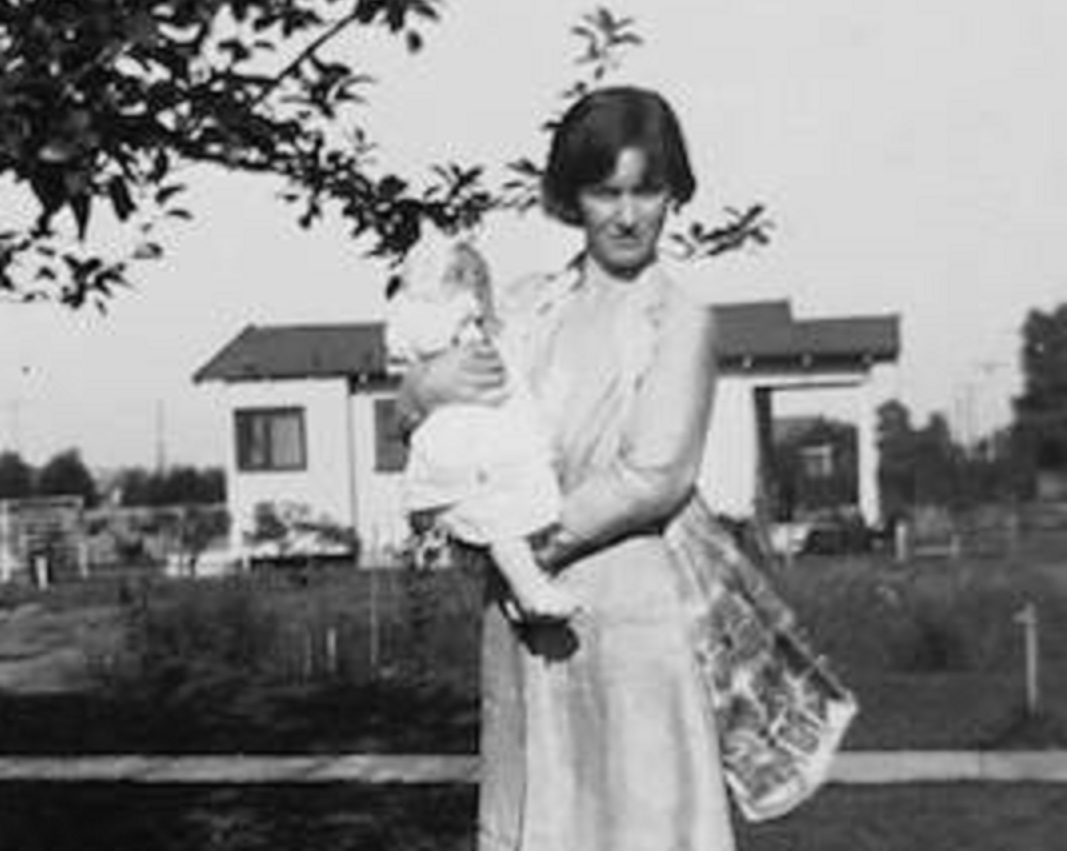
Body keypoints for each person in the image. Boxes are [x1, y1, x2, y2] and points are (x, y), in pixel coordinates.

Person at [400, 85, 737, 850]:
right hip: (524, 633)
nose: (625, 215)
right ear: (570, 197)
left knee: (638, 820)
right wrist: (423, 389)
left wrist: (521, 548)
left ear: (672, 192)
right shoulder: (525, 307)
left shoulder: (678, 320)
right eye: (603, 190)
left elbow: (651, 476)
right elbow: (440, 416)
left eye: (646, 190)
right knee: (541, 818)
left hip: (632, 621)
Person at [385, 225, 581, 621]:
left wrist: (565, 282)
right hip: (466, 450)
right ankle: (528, 590)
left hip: (498, 446)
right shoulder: (436, 325)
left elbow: (526, 318)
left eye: (480, 277)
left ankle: (521, 591)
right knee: (500, 517)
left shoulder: (498, 328)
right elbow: (411, 372)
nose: (474, 287)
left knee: (520, 511)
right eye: (458, 277)